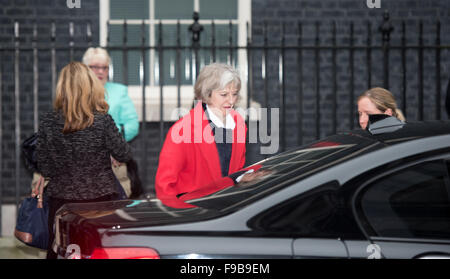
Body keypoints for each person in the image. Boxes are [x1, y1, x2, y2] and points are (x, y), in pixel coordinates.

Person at [36, 62, 132, 258]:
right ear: (90, 86)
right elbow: (124, 154)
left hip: (61, 204)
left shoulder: (48, 121)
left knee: (61, 252)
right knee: (99, 252)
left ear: (62, 88)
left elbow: (44, 166)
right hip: (100, 203)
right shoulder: (102, 120)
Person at [155, 63, 249, 208]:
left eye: (234, 94)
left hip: (228, 209)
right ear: (206, 95)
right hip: (194, 213)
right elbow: (165, 187)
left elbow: (235, 172)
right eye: (224, 94)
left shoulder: (239, 125)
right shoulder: (183, 129)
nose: (231, 101)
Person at [82, 47, 140, 198]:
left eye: (104, 67)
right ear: (86, 69)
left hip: (113, 161)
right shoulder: (78, 93)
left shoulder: (119, 91)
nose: (100, 71)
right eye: (95, 67)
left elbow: (132, 125)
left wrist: (114, 146)